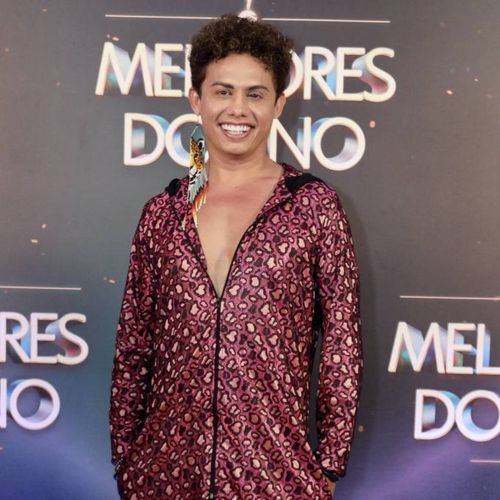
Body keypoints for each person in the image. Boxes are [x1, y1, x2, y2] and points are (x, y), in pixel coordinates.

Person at [109, 14, 362, 500]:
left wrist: (328, 465)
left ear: (278, 104)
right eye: (223, 91)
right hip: (163, 477)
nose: (238, 109)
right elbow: (133, 345)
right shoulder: (162, 213)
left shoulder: (313, 207)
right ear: (196, 100)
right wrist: (126, 456)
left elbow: (341, 344)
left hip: (277, 478)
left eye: (255, 94)